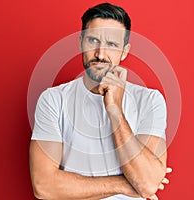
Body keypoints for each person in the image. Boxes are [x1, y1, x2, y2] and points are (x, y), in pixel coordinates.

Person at [29, 2, 171, 200]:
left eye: (112, 44)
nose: (100, 54)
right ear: (80, 42)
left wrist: (115, 111)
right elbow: (43, 186)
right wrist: (126, 184)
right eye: (93, 40)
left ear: (125, 51)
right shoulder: (53, 100)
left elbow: (147, 184)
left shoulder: (150, 101)